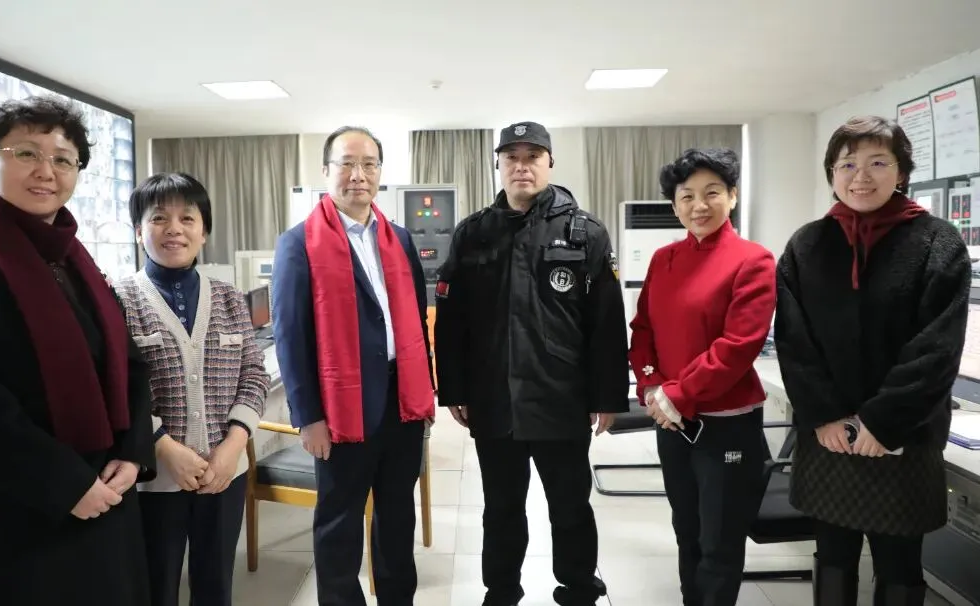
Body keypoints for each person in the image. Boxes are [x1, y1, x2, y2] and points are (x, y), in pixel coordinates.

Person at [0, 96, 156, 605]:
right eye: (26, 154)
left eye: (63, 159)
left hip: (105, 491)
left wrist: (132, 455)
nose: (46, 171)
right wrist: (67, 485)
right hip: (17, 505)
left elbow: (129, 367)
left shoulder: (78, 264)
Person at [775, 116, 970, 606]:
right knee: (833, 556)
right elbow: (795, 341)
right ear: (832, 173)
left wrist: (882, 423)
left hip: (903, 438)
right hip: (829, 438)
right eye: (847, 164)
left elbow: (937, 347)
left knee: (899, 564)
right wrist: (824, 416)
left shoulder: (938, 242)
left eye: (878, 163)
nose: (860, 176)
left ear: (901, 171)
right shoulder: (807, 244)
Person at [433, 121, 627, 606]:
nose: (522, 166)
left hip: (561, 400)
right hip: (494, 400)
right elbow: (451, 321)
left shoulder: (584, 232)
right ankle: (500, 592)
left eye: (533, 156)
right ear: (498, 165)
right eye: (511, 157)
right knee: (500, 508)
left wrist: (607, 396)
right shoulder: (474, 233)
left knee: (570, 507)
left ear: (550, 163)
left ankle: (579, 590)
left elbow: (606, 323)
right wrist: (453, 389)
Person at [272, 126, 435, 606]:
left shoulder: (399, 238)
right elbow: (290, 337)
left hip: (402, 402)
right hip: (341, 407)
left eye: (368, 164)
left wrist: (424, 393)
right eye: (346, 163)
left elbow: (415, 323)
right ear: (326, 171)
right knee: (339, 523)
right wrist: (308, 417)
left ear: (380, 173)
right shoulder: (299, 244)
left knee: (397, 516)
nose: (358, 175)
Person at [627, 148, 776, 606]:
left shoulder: (753, 260)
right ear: (674, 206)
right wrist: (651, 386)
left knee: (719, 543)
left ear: (732, 196)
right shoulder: (664, 259)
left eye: (712, 192)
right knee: (686, 532)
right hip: (672, 422)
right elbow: (643, 329)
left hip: (726, 423)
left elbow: (738, 345)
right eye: (686, 196)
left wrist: (678, 393)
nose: (699, 205)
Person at [113, 172, 270, 606]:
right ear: (139, 230)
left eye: (187, 218)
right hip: (153, 480)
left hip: (224, 473)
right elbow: (116, 389)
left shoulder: (229, 298)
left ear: (204, 231)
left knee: (216, 586)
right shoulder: (118, 299)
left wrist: (233, 446)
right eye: (159, 218)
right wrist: (165, 447)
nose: (174, 229)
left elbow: (253, 375)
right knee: (156, 588)